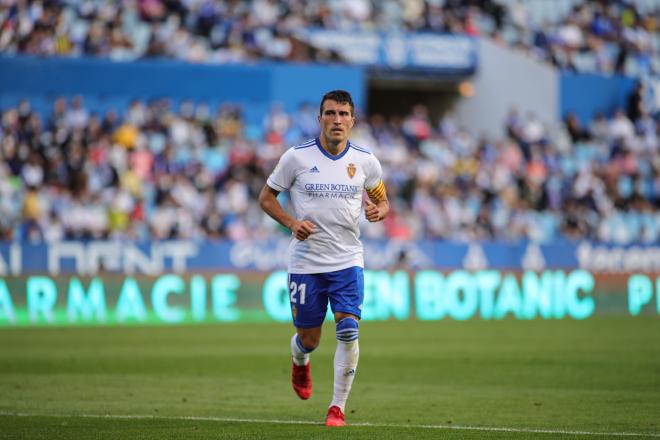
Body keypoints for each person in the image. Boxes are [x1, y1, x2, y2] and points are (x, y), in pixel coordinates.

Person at [258, 90, 389, 427]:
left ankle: (337, 408)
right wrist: (291, 222)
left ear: (352, 120)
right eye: (330, 113)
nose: (337, 120)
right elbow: (266, 197)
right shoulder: (296, 158)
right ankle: (299, 358)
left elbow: (381, 198)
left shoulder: (365, 160)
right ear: (319, 119)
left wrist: (380, 210)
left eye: (343, 114)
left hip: (347, 260)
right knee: (310, 339)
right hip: (306, 263)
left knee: (348, 328)